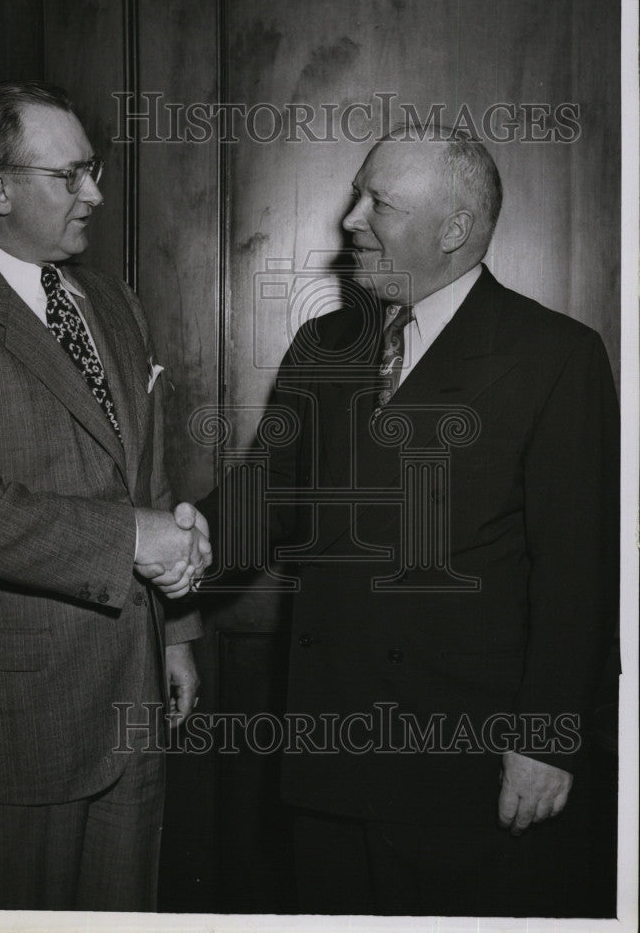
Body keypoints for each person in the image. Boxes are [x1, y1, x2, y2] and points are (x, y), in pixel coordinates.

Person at [194, 127, 619, 916]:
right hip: (330, 752)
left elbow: (580, 571)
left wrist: (547, 739)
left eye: (378, 203)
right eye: (359, 193)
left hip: (469, 764)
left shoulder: (555, 355)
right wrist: (180, 542)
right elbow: (266, 494)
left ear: (454, 230)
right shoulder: (325, 344)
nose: (351, 218)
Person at [0, 81, 211, 911]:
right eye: (72, 175)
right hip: (0, 729)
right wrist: (133, 540)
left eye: (93, 168)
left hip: (127, 707)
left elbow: (146, 477)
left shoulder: (113, 304)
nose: (95, 192)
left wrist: (176, 632)